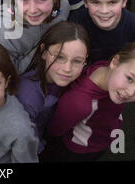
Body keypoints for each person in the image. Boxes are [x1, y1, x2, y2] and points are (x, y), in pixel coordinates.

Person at [41, 40, 135, 162]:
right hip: (81, 148)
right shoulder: (80, 103)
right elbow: (54, 131)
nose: (131, 93)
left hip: (104, 130)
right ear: (115, 62)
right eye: (130, 79)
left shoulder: (106, 70)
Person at [16, 21, 90, 153]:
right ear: (43, 52)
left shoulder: (77, 78)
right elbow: (25, 141)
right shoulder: (27, 96)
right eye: (60, 57)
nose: (67, 69)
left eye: (77, 61)